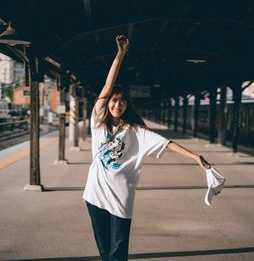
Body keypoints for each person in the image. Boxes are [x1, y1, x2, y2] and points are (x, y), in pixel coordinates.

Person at [82, 35, 211, 261]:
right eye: (114, 100)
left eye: (122, 102)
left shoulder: (135, 131)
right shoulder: (97, 121)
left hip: (122, 197)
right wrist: (120, 55)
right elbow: (107, 86)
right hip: (94, 194)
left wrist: (195, 156)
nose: (117, 105)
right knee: (104, 251)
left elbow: (166, 143)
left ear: (127, 105)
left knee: (118, 252)